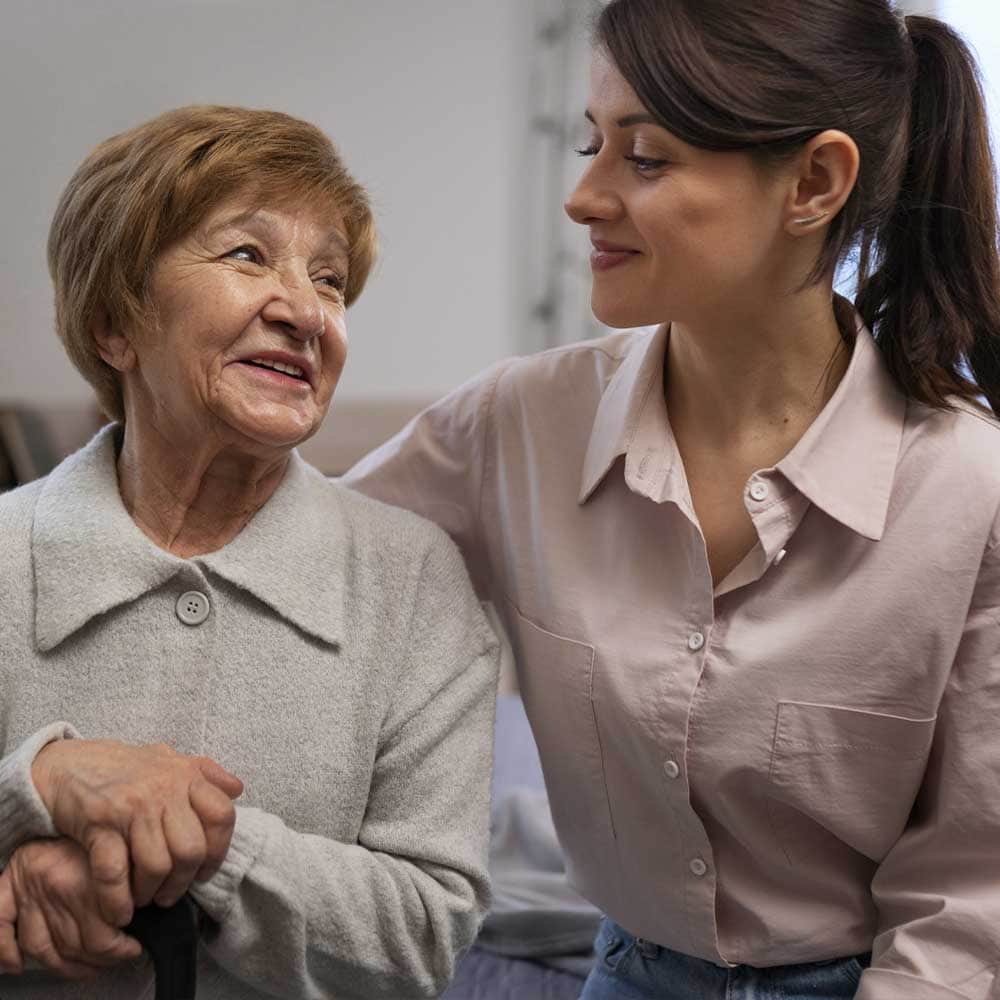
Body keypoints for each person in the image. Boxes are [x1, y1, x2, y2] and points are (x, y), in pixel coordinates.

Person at [344, 1, 1000, 997]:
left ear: (814, 183)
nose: (582, 196)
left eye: (643, 158)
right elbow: (299, 579)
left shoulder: (969, 490)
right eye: (588, 144)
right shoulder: (518, 423)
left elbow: (967, 893)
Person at [0, 104, 499, 1000]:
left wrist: (203, 847)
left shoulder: (412, 578)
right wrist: (40, 781)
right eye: (247, 255)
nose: (306, 311)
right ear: (116, 324)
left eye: (332, 280)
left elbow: (426, 935)